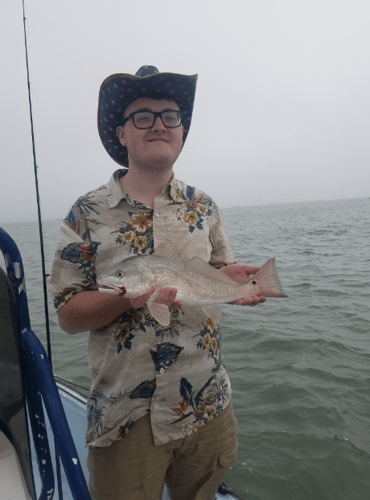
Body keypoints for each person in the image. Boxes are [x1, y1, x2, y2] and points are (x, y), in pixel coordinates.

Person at [49, 65, 266, 500]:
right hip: (125, 416)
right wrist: (130, 298)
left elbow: (220, 272)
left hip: (208, 403)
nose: (159, 125)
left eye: (171, 116)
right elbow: (68, 317)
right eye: (143, 116)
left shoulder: (204, 206)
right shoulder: (85, 213)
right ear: (121, 133)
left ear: (181, 132)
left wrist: (242, 282)